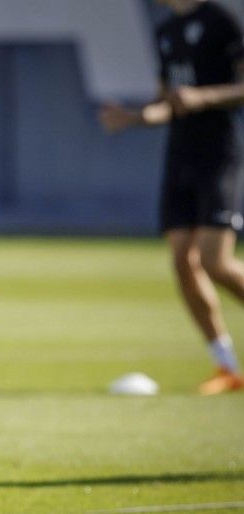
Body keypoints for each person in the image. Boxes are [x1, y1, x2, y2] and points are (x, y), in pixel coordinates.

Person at [100, 0, 244, 394]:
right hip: (180, 157)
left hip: (218, 155)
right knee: (183, 259)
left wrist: (204, 97)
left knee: (217, 263)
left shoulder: (221, 22)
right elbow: (167, 102)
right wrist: (133, 117)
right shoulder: (166, 32)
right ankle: (227, 367)